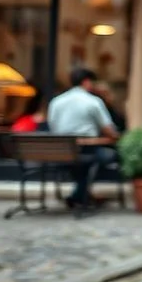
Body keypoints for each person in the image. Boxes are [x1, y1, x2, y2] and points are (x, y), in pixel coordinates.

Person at [46, 68, 120, 209]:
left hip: (60, 153)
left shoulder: (56, 101)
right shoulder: (92, 101)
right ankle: (79, 196)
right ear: (86, 82)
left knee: (82, 163)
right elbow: (109, 130)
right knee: (105, 157)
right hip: (86, 152)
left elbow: (52, 126)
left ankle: (82, 194)